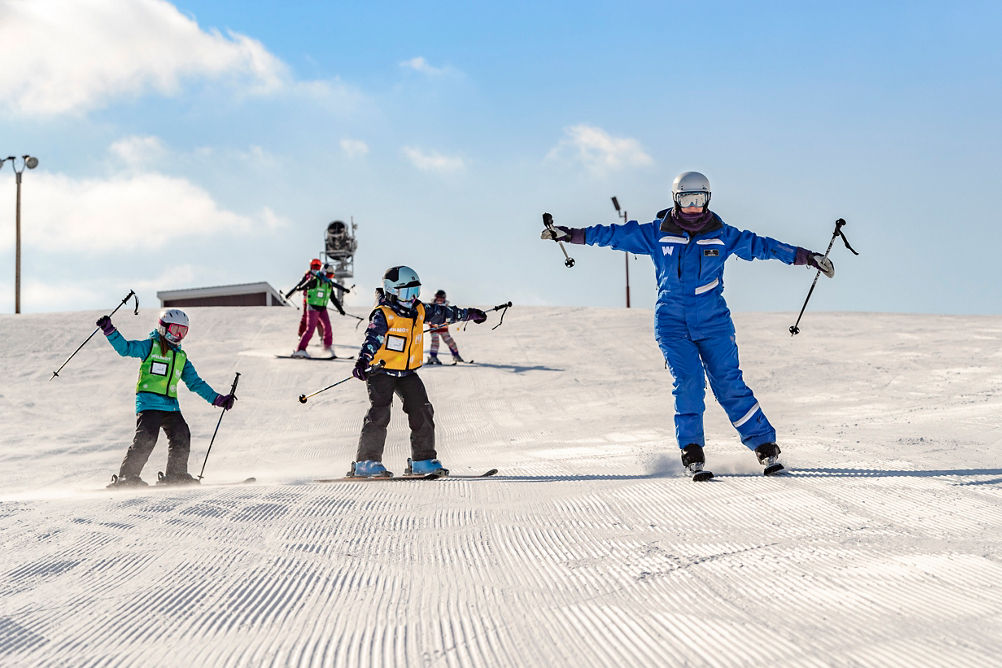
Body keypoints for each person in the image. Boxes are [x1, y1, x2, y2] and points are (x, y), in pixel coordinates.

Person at [541, 170, 835, 479]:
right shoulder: (657, 233)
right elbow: (613, 235)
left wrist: (806, 257)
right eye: (686, 200)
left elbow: (764, 246)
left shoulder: (723, 234)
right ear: (676, 200)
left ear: (707, 200)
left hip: (714, 321)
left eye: (699, 199)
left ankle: (764, 447)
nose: (693, 206)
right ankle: (692, 451)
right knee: (689, 382)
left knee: (728, 383)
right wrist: (570, 234)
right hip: (671, 321)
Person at [349, 266, 487, 478]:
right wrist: (363, 360)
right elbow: (373, 337)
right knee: (380, 413)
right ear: (392, 291)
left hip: (407, 373)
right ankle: (367, 462)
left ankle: (423, 460)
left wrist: (469, 314)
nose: (411, 298)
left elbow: (444, 313)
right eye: (406, 292)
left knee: (422, 410)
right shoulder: (383, 314)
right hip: (381, 371)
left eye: (416, 291)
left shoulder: (419, 309)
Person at [97, 309, 237, 487]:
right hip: (148, 403)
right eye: (175, 329)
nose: (178, 335)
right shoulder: (150, 346)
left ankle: (176, 474)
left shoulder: (181, 358)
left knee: (181, 434)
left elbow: (195, 383)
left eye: (183, 331)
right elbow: (126, 349)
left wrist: (217, 399)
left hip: (170, 405)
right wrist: (110, 331)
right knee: (146, 438)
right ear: (163, 328)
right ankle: (127, 478)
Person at [286, 258, 351, 358]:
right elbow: (305, 285)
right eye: (328, 275)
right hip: (313, 308)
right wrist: (300, 288)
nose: (330, 277)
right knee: (310, 330)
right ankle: (300, 349)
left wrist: (340, 309)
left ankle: (327, 348)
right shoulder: (315, 280)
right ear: (323, 272)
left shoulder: (328, 284)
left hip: (322, 309)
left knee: (328, 328)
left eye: (331, 276)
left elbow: (333, 298)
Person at [426, 289, 466, 364]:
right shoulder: (432, 306)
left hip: (443, 328)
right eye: (438, 297)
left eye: (441, 298)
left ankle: (456, 355)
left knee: (450, 342)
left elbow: (450, 315)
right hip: (434, 328)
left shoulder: (446, 306)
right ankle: (433, 357)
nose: (440, 299)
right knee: (435, 342)